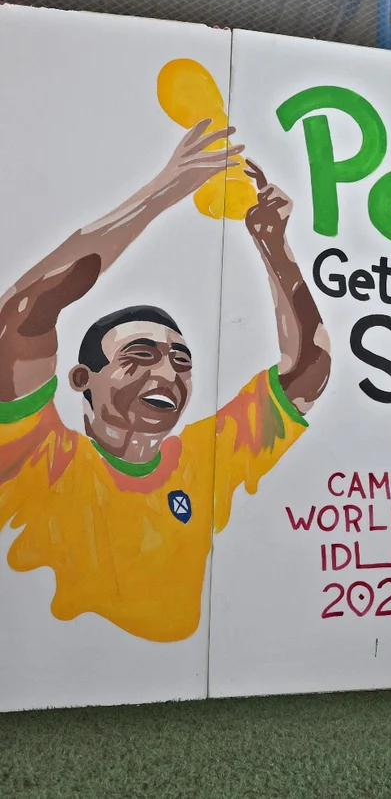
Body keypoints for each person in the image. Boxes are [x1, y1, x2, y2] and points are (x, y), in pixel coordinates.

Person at [0, 122, 331, 643]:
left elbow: (308, 370)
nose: (166, 373)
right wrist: (162, 193)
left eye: (181, 360)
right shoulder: (37, 455)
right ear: (83, 378)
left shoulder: (204, 461)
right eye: (140, 355)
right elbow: (23, 315)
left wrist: (273, 244)